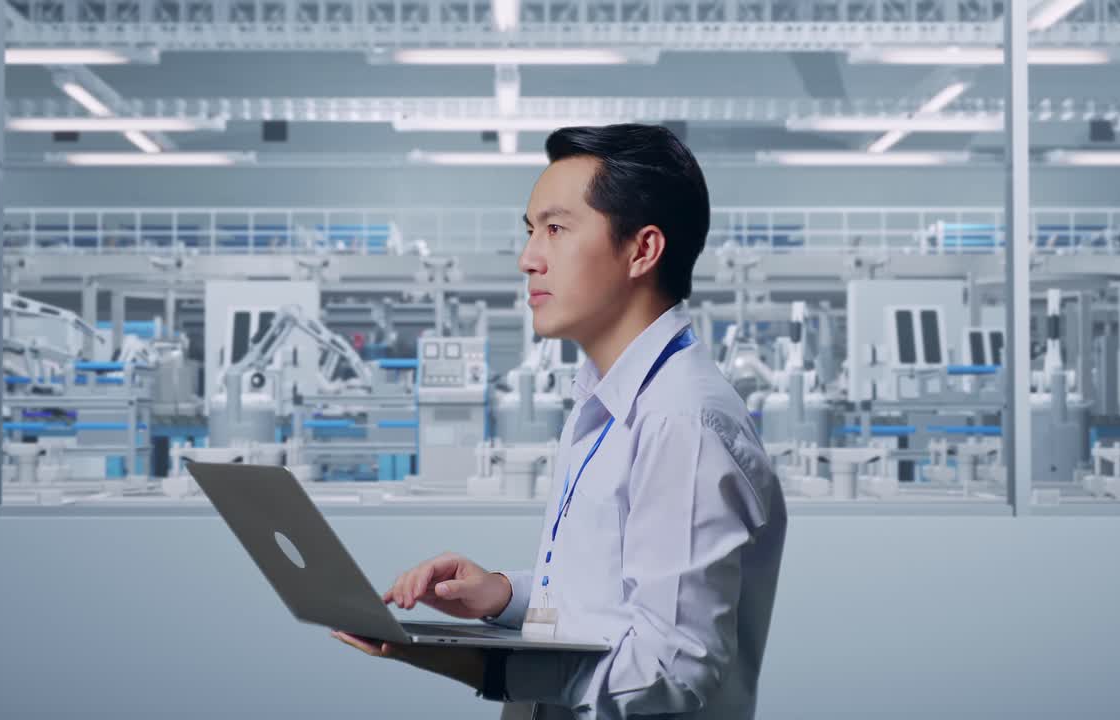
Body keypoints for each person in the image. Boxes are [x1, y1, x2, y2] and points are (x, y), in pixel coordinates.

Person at [333, 123, 787, 720]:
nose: (528, 259)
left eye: (555, 229)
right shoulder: (607, 400)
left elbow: (671, 669)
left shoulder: (681, 422)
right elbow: (606, 606)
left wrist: (471, 663)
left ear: (642, 251)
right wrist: (502, 596)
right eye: (530, 231)